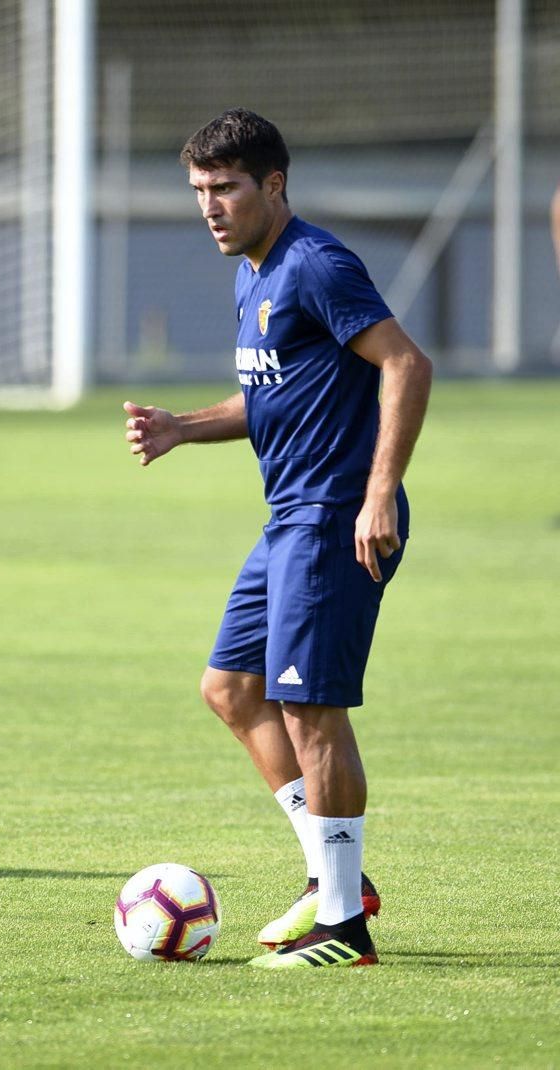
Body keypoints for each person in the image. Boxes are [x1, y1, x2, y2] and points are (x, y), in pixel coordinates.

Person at [123, 109, 432, 969]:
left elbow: (407, 364)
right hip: (288, 520)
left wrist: (378, 498)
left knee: (309, 707)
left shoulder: (316, 265)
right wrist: (184, 427)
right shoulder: (253, 275)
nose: (210, 207)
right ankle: (338, 879)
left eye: (225, 188)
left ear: (274, 186)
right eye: (199, 191)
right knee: (230, 689)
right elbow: (274, 398)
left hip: (337, 518)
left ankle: (344, 927)